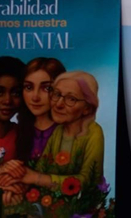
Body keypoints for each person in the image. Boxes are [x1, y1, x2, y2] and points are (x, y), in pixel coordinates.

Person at [19, 70, 104, 212]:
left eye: (71, 99)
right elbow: (41, 168)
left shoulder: (94, 133)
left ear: (87, 108)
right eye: (57, 94)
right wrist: (18, 184)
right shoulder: (58, 131)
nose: (58, 104)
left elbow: (87, 181)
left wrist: (37, 178)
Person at [18, 57, 66, 163]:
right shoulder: (18, 131)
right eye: (29, 87)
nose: (35, 97)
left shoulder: (69, 131)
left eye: (47, 88)